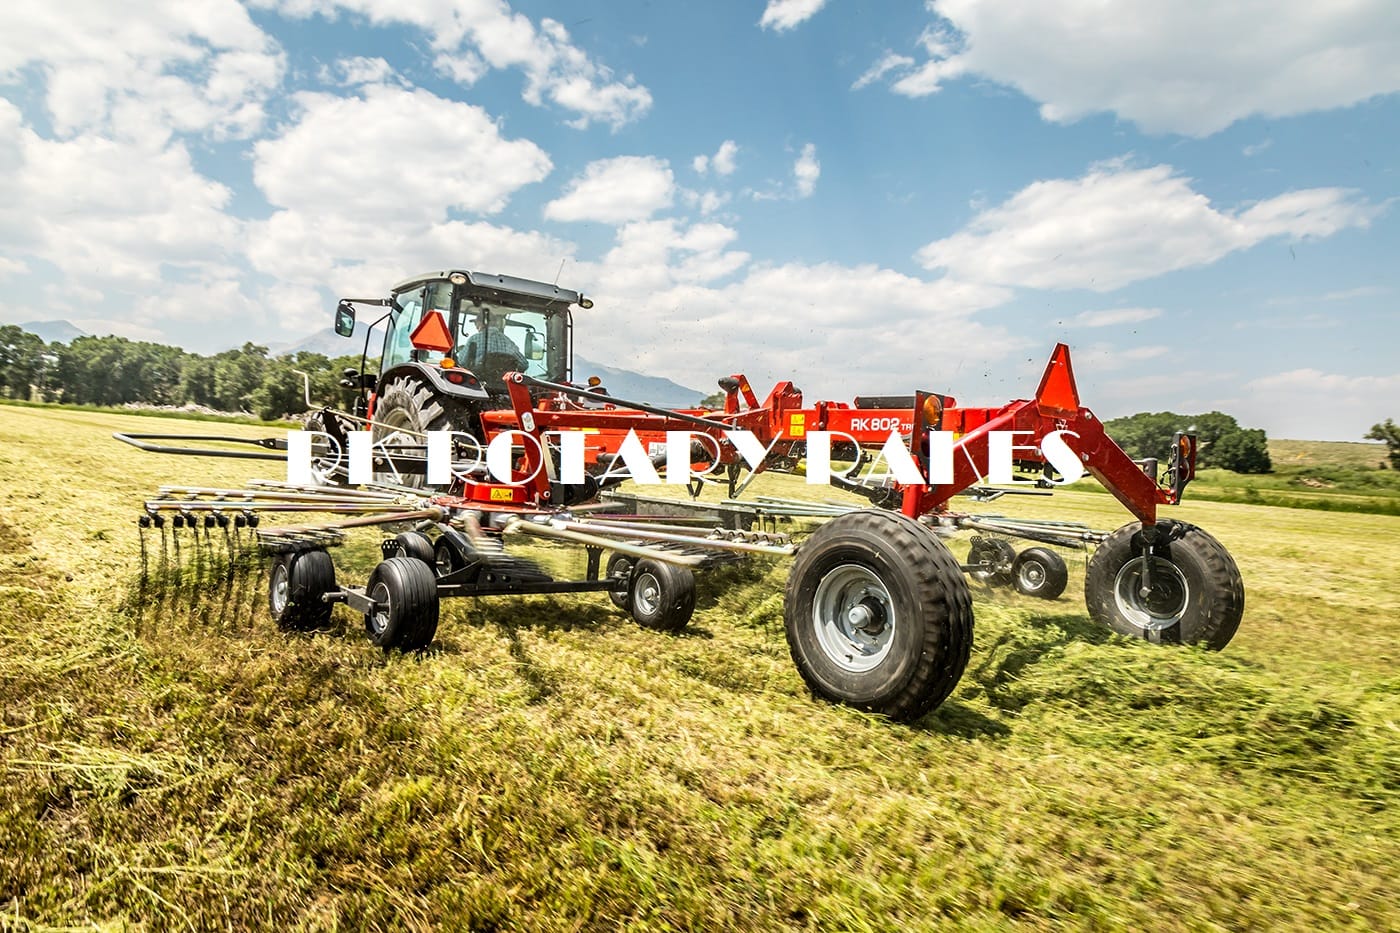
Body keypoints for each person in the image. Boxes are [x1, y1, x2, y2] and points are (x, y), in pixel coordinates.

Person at [457, 310, 526, 375]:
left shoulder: (474, 339)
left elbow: (461, 362)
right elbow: (524, 364)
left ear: (483, 323)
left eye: (477, 322)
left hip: (478, 382)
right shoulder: (508, 342)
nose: (476, 326)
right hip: (505, 384)